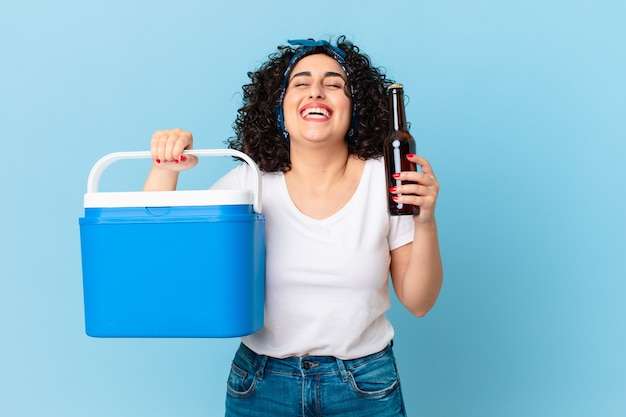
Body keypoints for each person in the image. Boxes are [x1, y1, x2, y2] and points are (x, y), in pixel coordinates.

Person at [144, 36, 442, 417]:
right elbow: (157, 254)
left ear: (356, 108)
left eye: (334, 84)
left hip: (364, 386)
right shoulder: (248, 182)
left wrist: (427, 220)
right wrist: (163, 166)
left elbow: (419, 302)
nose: (316, 91)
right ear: (279, 107)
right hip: (261, 384)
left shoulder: (385, 180)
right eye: (300, 83)